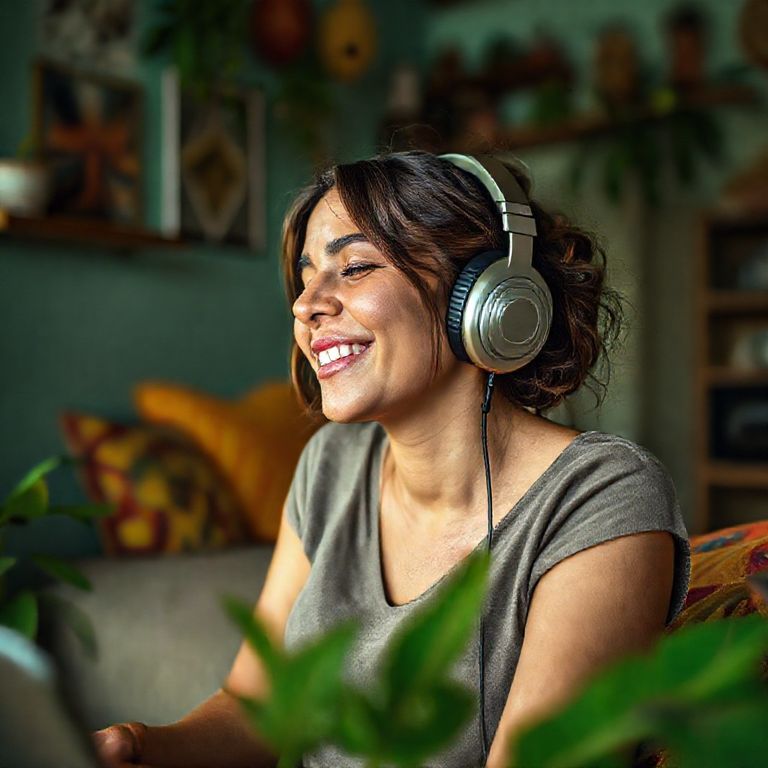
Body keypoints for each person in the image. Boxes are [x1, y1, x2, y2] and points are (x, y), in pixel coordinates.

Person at [94, 150, 691, 768]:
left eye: (354, 267)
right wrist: (139, 747)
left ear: (487, 296)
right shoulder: (331, 464)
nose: (305, 305)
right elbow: (260, 708)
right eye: (306, 278)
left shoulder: (602, 496)